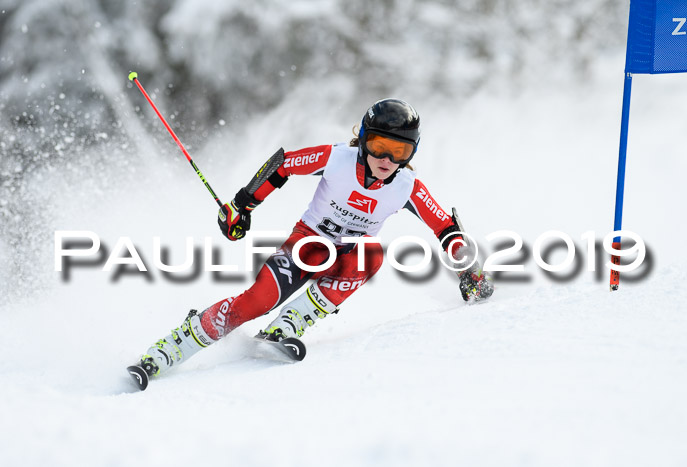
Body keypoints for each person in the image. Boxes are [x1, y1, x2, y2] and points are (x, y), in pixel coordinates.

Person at [134, 98, 494, 378]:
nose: (387, 158)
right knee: (257, 302)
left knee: (371, 254)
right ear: (365, 140)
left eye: (400, 151)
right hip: (306, 246)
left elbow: (446, 227)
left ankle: (287, 326)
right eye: (381, 145)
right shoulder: (337, 159)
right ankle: (176, 344)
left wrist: (470, 271)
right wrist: (242, 206)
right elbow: (285, 163)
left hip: (349, 256)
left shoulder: (406, 186)